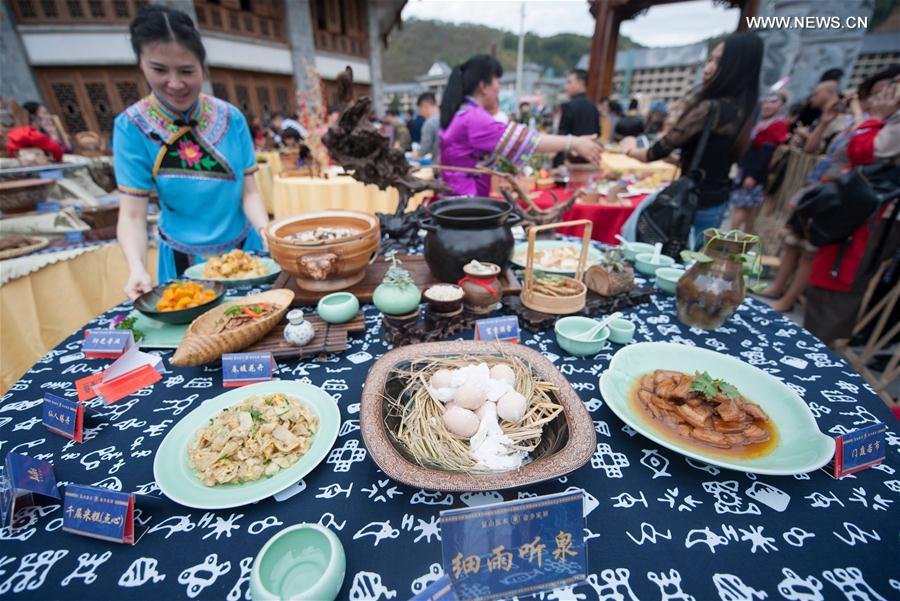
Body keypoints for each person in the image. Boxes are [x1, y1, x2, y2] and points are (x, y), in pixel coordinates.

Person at [114, 5, 268, 298]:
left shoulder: (231, 117)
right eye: (159, 70)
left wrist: (265, 232)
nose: (175, 83)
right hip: (182, 257)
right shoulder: (131, 127)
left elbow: (249, 192)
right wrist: (136, 267)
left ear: (202, 66)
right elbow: (132, 214)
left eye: (187, 71)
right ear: (141, 65)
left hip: (245, 251)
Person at [763, 66, 900, 312]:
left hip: (840, 195)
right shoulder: (847, 123)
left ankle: (788, 300)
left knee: (809, 250)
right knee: (792, 241)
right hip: (819, 187)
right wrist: (825, 123)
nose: (877, 98)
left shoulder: (876, 124)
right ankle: (777, 287)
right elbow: (815, 149)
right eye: (874, 92)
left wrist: (865, 117)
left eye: (885, 91)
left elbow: (859, 153)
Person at [619, 31, 764, 241]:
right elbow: (712, 155)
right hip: (717, 200)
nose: (708, 68)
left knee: (669, 259)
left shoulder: (710, 108)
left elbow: (654, 152)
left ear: (735, 67)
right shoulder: (746, 109)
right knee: (693, 264)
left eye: (719, 61)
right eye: (710, 59)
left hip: (691, 202)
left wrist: (630, 147)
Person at [803, 68, 900, 344]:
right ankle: (813, 343)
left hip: (872, 213)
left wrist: (876, 118)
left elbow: (861, 150)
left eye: (894, 85)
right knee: (827, 276)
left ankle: (818, 351)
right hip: (859, 208)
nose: (887, 92)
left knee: (840, 279)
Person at [439, 54, 601, 197]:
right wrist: (574, 143)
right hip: (465, 200)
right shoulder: (474, 117)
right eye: (497, 80)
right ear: (483, 86)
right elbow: (526, 140)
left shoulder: (462, 112)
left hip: (455, 194)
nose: (498, 87)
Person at [729, 92, 790, 232]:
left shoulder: (777, 126)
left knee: (742, 207)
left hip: (754, 173)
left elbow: (766, 155)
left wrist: (753, 175)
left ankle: (731, 240)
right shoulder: (761, 123)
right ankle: (745, 241)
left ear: (781, 105)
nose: (768, 105)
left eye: (773, 101)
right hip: (747, 169)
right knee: (750, 209)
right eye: (766, 101)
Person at [555, 69, 600, 166]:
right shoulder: (593, 106)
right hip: (588, 158)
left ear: (581, 83)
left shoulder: (568, 106)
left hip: (569, 159)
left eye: (569, 82)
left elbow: (562, 135)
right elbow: (597, 133)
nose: (566, 87)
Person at [415, 92, 440, 162]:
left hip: (438, 165)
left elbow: (425, 148)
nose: (421, 113)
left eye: (420, 109)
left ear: (424, 105)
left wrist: (416, 154)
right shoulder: (448, 117)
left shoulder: (429, 123)